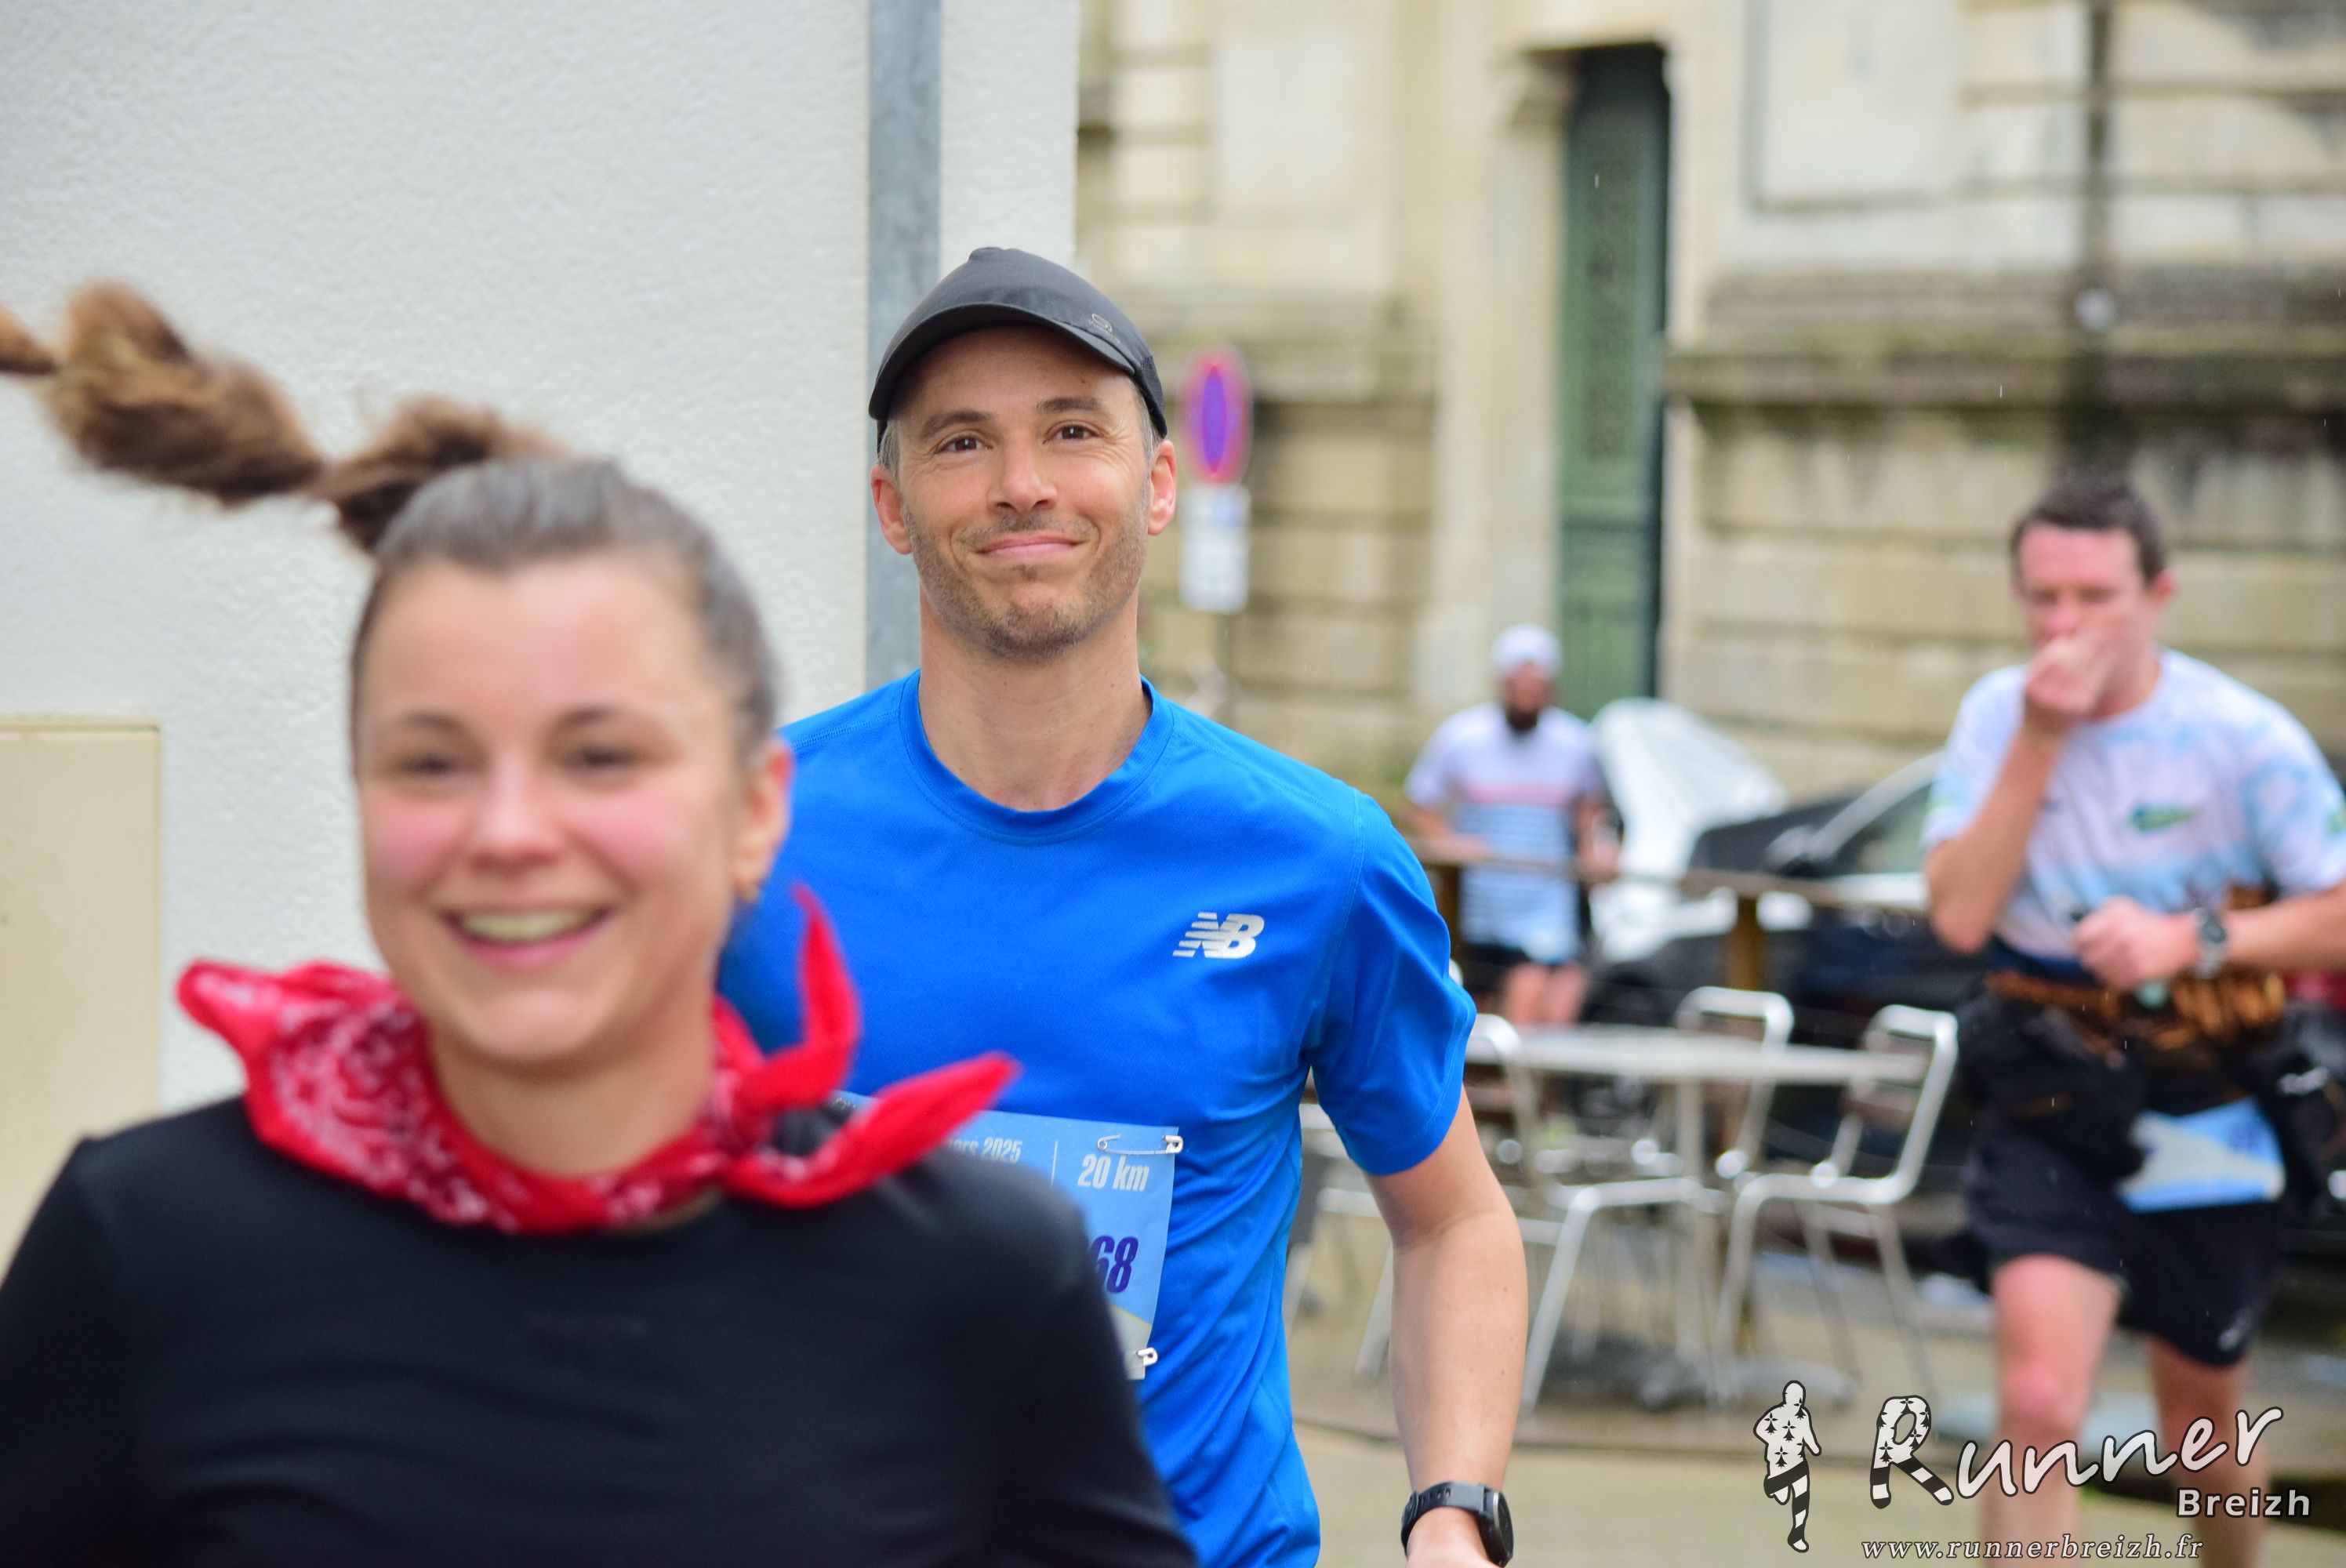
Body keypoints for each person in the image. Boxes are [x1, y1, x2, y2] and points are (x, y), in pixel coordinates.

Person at [0, 287, 1197, 1567]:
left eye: (600, 757)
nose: (510, 831)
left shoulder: (984, 1281)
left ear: (753, 814)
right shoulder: (147, 1248)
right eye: (432, 762)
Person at [718, 249, 1527, 1568]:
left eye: (1071, 431)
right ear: (892, 506)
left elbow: (1453, 1221)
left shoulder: (1317, 859)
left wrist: (1455, 1516)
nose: (1021, 484)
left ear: (1156, 484)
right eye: (962, 441)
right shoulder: (739, 838)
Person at [1922, 472, 2346, 1566]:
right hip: (2050, 1089)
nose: (2066, 624)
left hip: (2208, 1094)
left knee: (2201, 1418)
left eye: (2095, 597)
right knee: (2037, 1401)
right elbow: (1959, 915)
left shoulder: (2239, 736)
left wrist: (2192, 939)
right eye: (2043, 597)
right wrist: (2039, 737)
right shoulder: (1995, 715)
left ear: (2158, 594)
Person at [1405, 624, 1614, 1026]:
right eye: (1519, 685)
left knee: (1536, 1006)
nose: (1527, 694)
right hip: (1479, 905)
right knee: (1476, 1014)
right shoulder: (1461, 737)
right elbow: (1420, 805)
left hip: (1546, 904)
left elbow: (1590, 812)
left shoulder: (1576, 744)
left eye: (1537, 686)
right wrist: (1450, 844)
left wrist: (1595, 851)